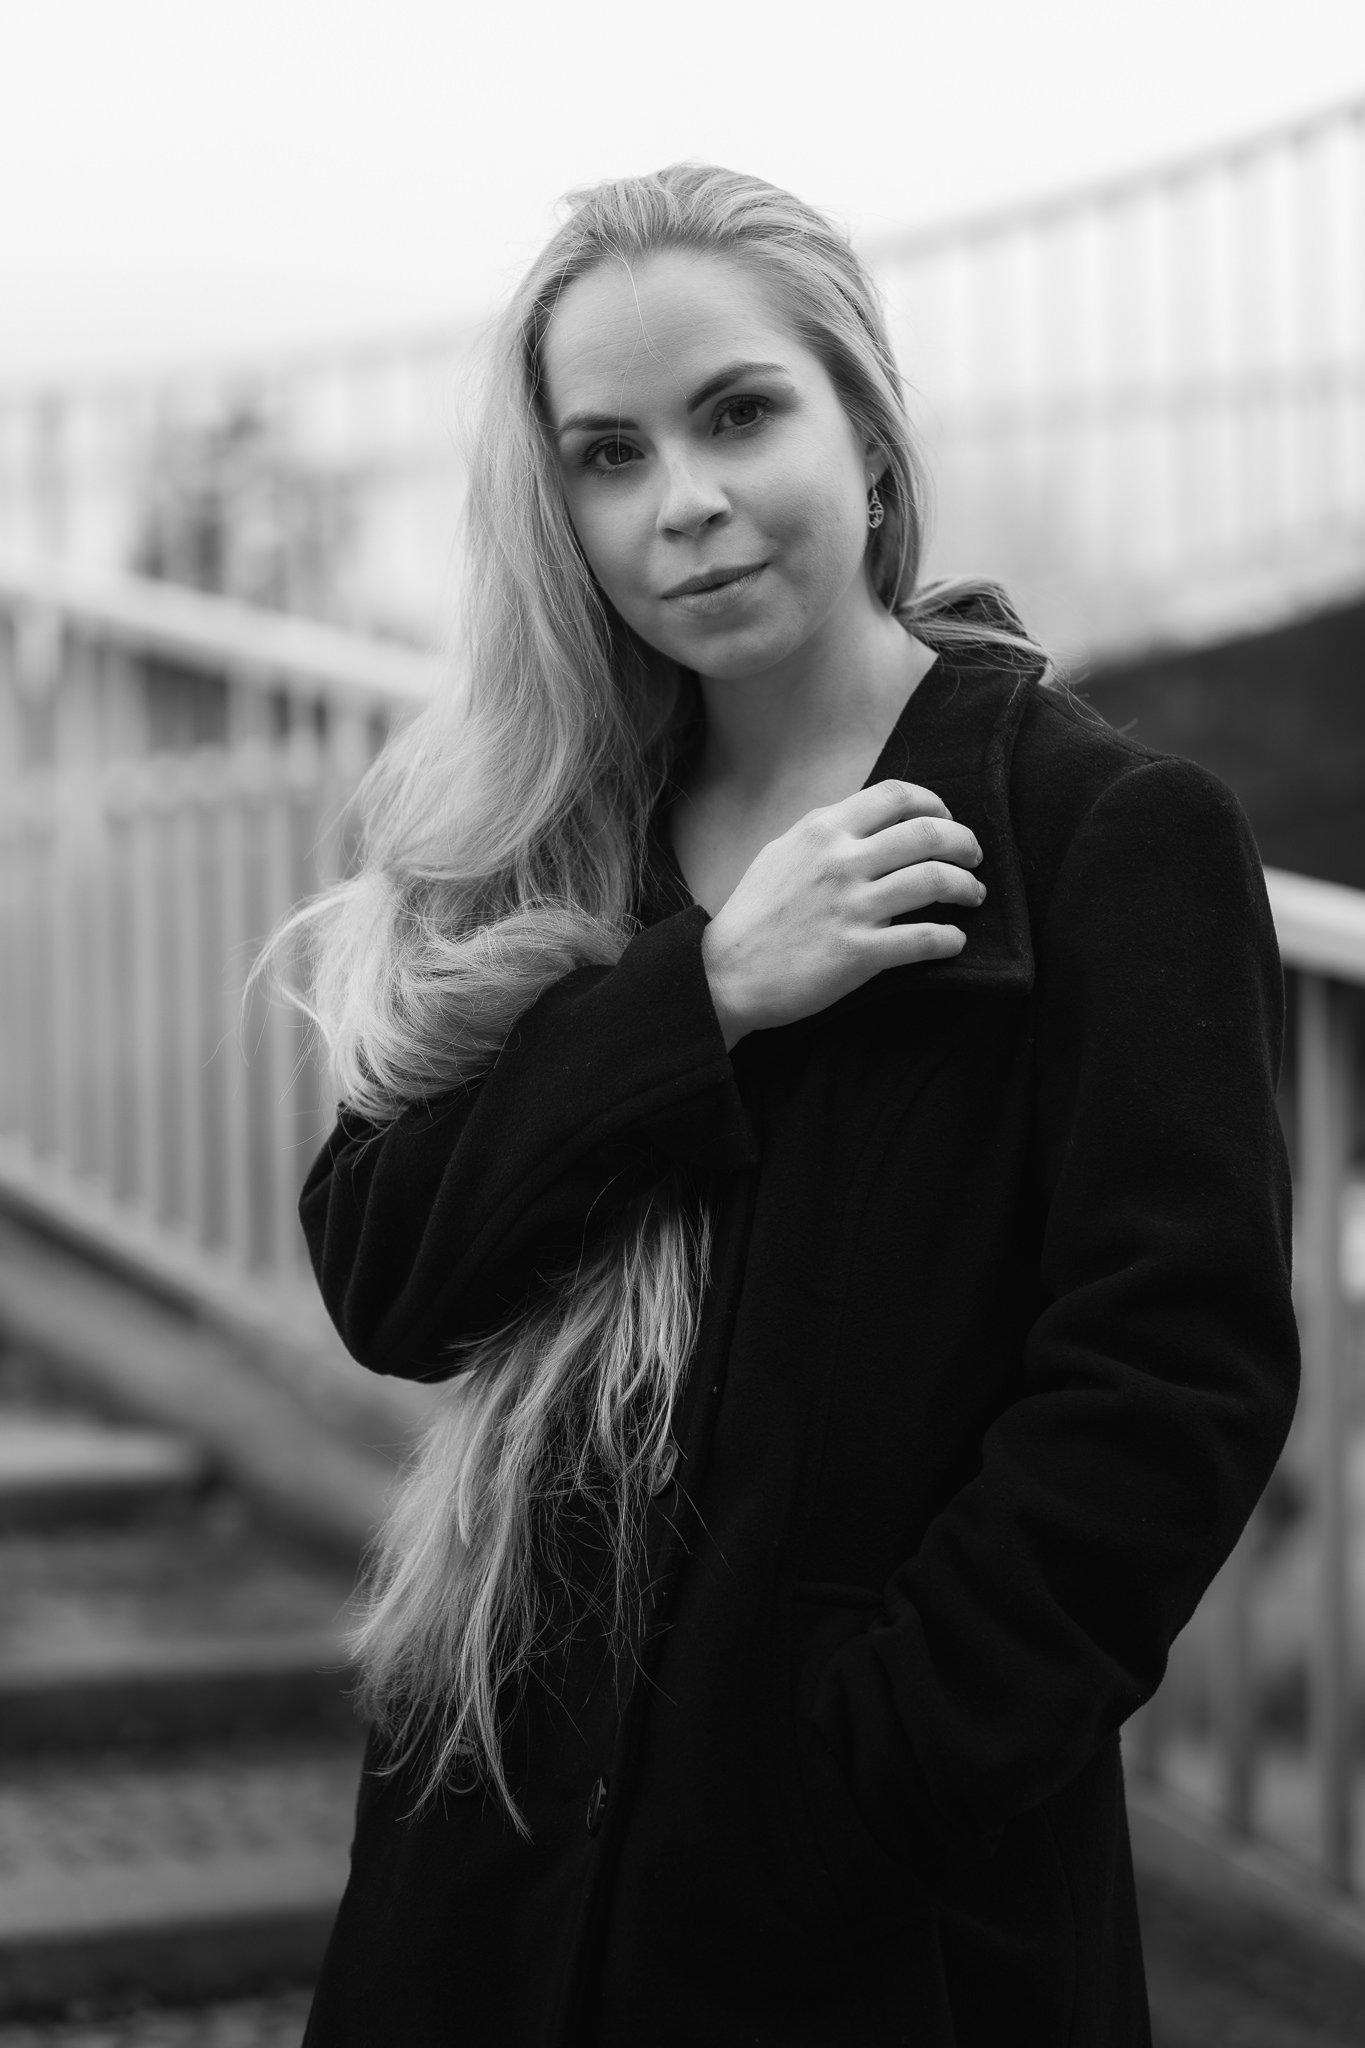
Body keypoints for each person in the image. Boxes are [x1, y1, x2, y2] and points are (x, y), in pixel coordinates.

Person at [287, 164, 1298, 2046]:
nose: (682, 501)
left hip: (876, 1938)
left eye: (738, 412)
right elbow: (384, 1268)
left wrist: (852, 1793)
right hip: (485, 1882)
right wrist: (706, 998)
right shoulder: (537, 848)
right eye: (607, 454)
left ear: (866, 426)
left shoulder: (1104, 838)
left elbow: (1171, 1390)